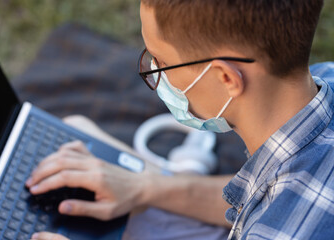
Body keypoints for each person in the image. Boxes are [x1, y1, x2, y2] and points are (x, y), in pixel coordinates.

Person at [27, 0, 334, 239]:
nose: (158, 75)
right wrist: (145, 186)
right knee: (77, 129)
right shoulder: (325, 77)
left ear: (227, 77)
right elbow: (260, 195)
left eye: (160, 61)